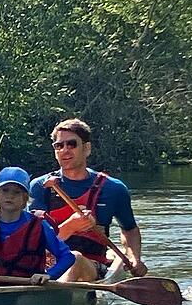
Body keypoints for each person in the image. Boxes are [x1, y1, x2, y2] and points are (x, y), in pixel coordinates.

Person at [28, 118, 148, 282]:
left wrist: (134, 258)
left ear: (87, 148)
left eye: (72, 144)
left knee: (75, 259)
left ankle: (53, 297)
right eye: (59, 145)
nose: (65, 150)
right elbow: (33, 240)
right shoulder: (39, 187)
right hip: (49, 266)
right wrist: (69, 227)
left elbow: (130, 230)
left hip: (92, 265)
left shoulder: (114, 189)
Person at [0, 167, 76, 287]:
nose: (10, 196)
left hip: (28, 291)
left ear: (25, 199)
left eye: (16, 192)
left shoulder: (40, 225)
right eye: (5, 190)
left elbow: (67, 257)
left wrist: (49, 275)